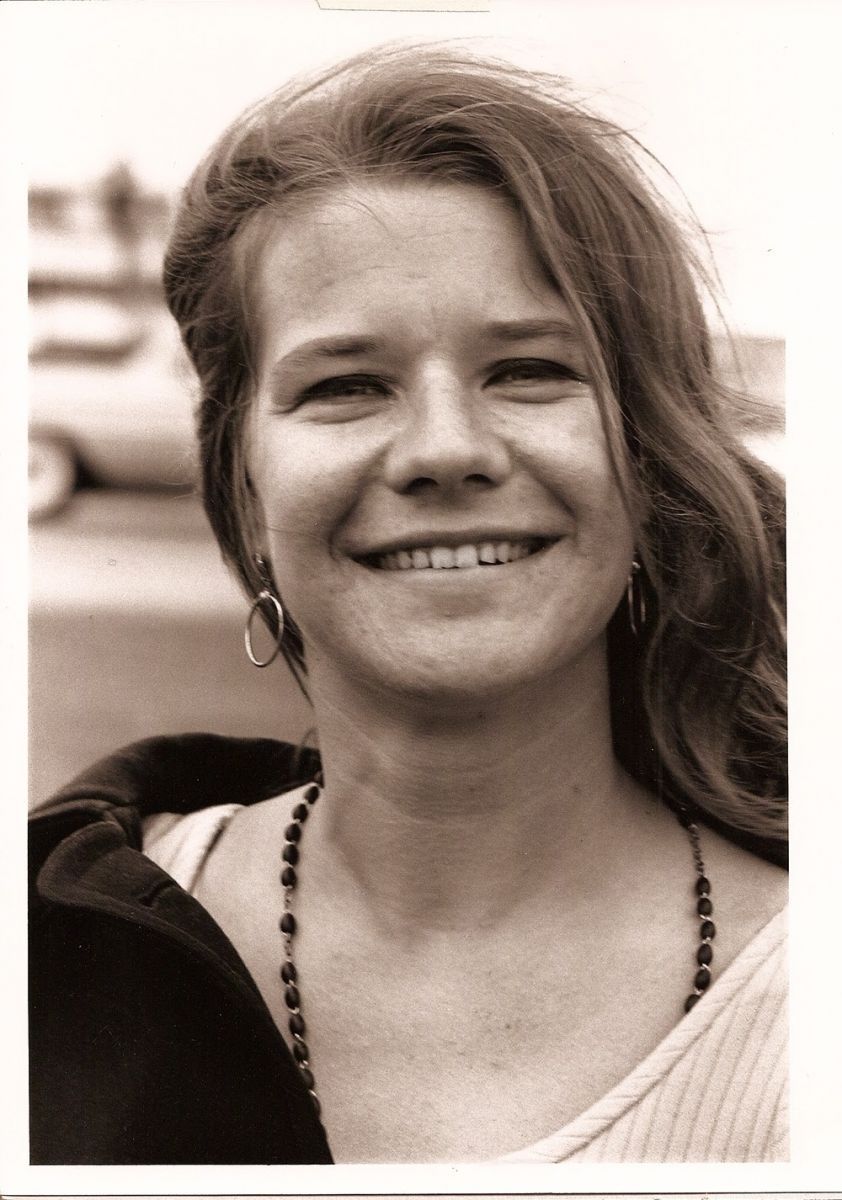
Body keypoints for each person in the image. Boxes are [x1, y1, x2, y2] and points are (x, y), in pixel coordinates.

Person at [29, 43, 787, 1165]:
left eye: (528, 370)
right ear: (243, 480)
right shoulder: (51, 958)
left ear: (649, 453)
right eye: (346, 385)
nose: (444, 449)